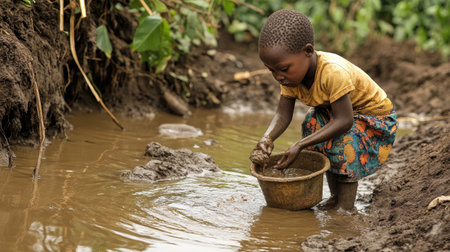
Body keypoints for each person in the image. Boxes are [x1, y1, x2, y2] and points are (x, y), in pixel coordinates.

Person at [250, 9, 398, 211]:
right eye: (271, 70)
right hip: (339, 114)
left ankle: (345, 208)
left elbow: (345, 121)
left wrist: (299, 145)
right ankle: (334, 198)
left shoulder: (332, 73)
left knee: (343, 143)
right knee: (313, 123)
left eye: (283, 69)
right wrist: (266, 139)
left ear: (308, 51)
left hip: (372, 117)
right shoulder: (290, 77)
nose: (278, 76)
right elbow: (283, 114)